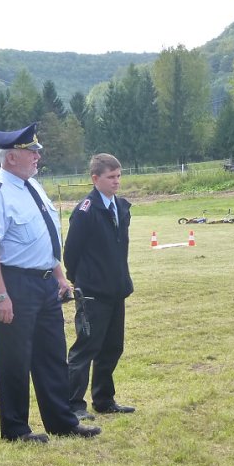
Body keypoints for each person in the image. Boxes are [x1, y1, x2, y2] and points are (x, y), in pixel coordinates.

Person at [0, 122, 101, 443]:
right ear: (11, 157)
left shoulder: (33, 187)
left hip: (45, 282)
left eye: (36, 151)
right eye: (31, 151)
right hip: (14, 282)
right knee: (15, 358)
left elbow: (45, 236)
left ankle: (62, 422)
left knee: (52, 354)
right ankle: (15, 429)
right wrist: (0, 294)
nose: (37, 157)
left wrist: (59, 277)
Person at [63, 153, 135, 421]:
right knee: (86, 347)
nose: (117, 182)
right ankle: (73, 404)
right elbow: (71, 251)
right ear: (95, 179)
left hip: (116, 289)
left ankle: (104, 399)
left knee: (112, 347)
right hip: (92, 291)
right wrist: (77, 279)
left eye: (119, 176)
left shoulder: (121, 207)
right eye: (111, 177)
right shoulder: (86, 211)